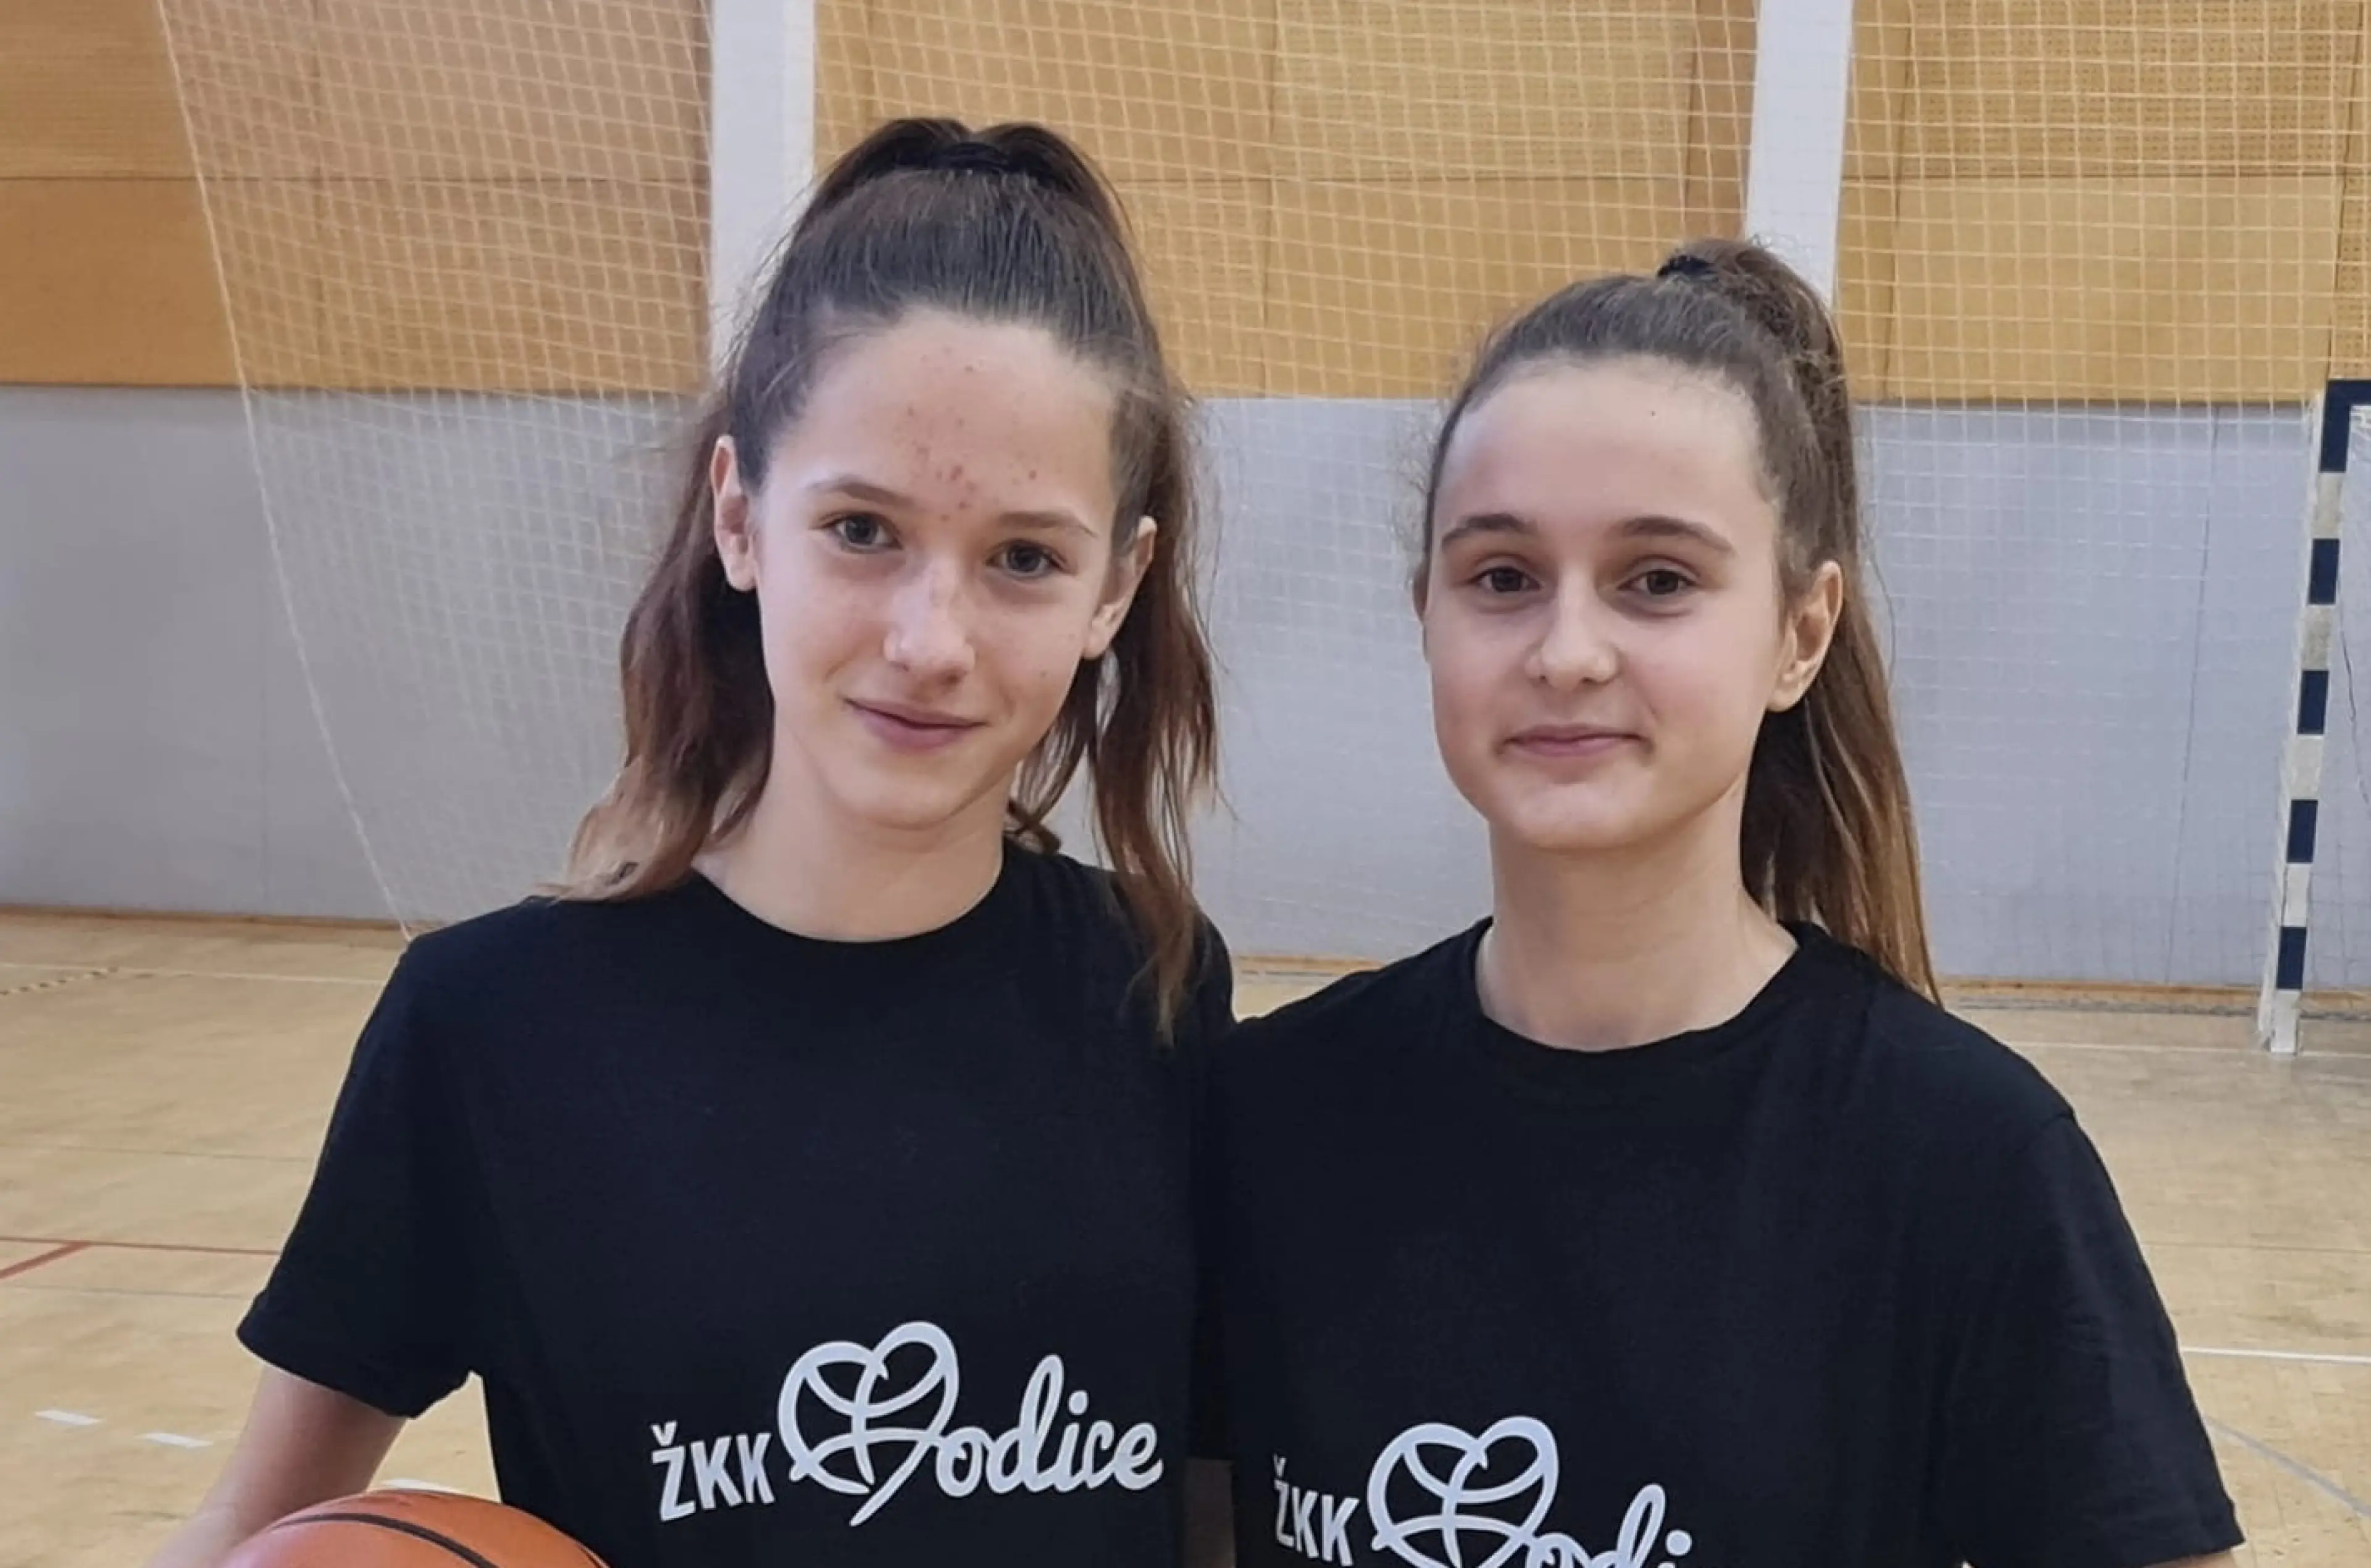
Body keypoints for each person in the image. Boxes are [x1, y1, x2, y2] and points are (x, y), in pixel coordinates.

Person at [153, 116, 1233, 1568]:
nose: (932, 641)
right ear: (740, 516)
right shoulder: (492, 1028)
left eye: (1025, 558)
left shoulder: (1154, 986)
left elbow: (1213, 1508)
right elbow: (259, 1522)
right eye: (862, 530)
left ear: (1117, 586)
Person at [1198, 240, 2241, 1567]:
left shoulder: (1966, 1160)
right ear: (1427, 614)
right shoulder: (1274, 1115)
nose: (1568, 652)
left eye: (1659, 580)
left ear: (1801, 633)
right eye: (1502, 577)